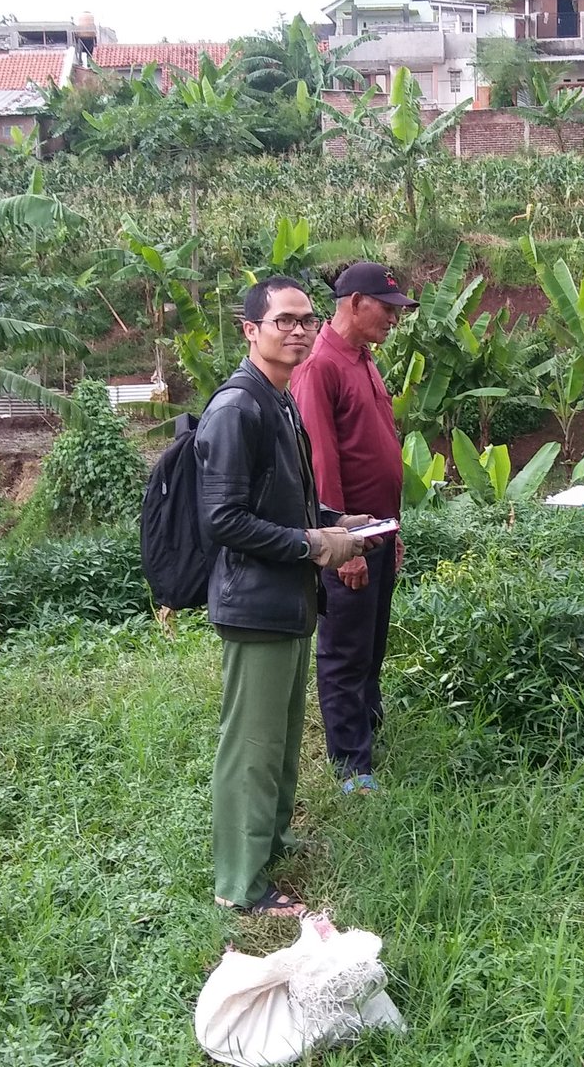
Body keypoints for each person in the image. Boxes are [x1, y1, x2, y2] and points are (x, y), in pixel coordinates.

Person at [196, 276, 373, 917]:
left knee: (279, 737)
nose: (298, 330)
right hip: (255, 602)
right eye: (283, 321)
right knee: (251, 744)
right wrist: (312, 544)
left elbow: (288, 499)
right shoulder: (236, 408)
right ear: (251, 330)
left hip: (286, 599)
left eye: (305, 320)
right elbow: (222, 519)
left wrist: (337, 522)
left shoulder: (279, 399)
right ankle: (240, 885)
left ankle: (269, 841)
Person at [291, 262, 417, 793]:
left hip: (379, 532)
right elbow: (322, 467)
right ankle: (351, 766)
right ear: (356, 303)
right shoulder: (320, 367)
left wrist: (393, 532)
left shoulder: (363, 360)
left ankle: (368, 732)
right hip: (348, 541)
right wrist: (348, 548)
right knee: (344, 650)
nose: (394, 317)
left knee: (371, 644)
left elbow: (376, 453)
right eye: (386, 308)